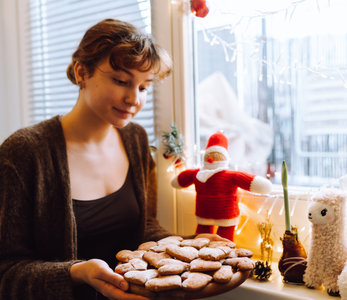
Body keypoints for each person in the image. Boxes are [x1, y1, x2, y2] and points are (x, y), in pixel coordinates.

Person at [0, 19, 222, 300]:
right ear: (82, 72)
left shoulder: (135, 140)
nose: (133, 99)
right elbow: (6, 272)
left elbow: (143, 228)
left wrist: (185, 243)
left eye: (143, 88)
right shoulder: (24, 152)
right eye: (121, 81)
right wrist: (77, 272)